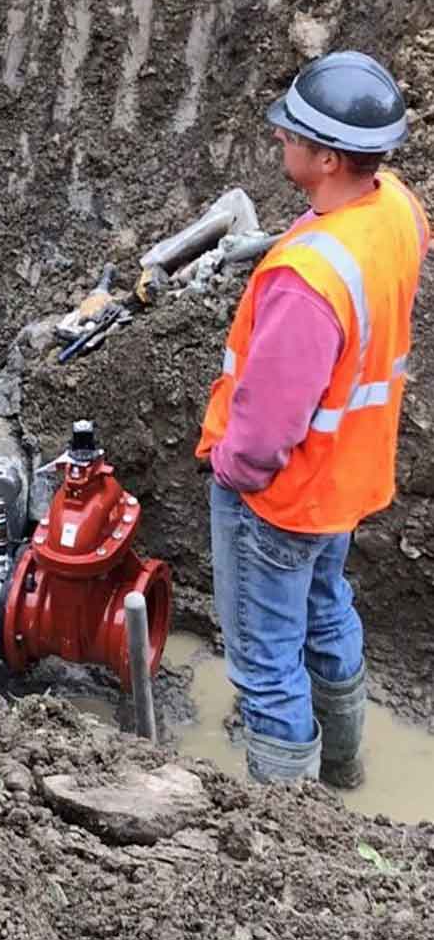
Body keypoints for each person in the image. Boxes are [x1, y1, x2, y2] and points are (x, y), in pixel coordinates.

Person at [196, 51, 429, 786]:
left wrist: (232, 470)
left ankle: (285, 826)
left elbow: (268, 422)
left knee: (265, 663)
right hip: (346, 480)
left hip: (281, 497)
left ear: (328, 157)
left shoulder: (309, 282)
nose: (279, 139)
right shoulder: (394, 207)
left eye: (291, 131)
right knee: (327, 614)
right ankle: (344, 775)